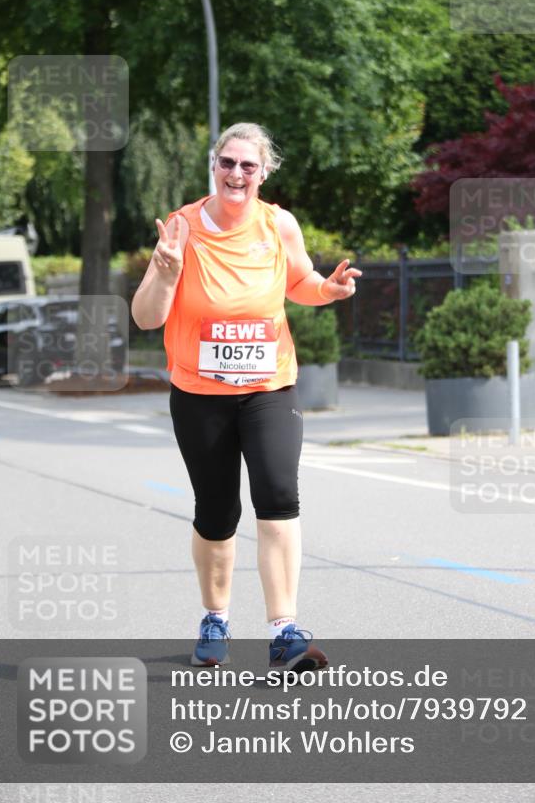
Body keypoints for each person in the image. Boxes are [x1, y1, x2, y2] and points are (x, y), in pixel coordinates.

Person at [131, 122, 361, 672]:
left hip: (269, 387)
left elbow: (298, 281)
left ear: (264, 172)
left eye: (247, 165)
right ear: (213, 165)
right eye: (227, 163)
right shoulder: (183, 229)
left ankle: (285, 632)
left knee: (279, 495)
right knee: (217, 511)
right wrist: (165, 272)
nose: (236, 174)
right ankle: (215, 618)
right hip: (199, 393)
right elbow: (145, 317)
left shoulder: (278, 224)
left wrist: (326, 290)